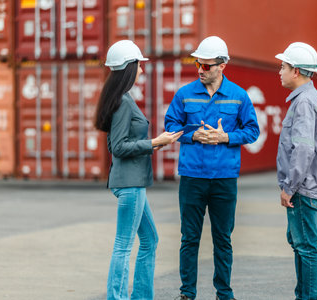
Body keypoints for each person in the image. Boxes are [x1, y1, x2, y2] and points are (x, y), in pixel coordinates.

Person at [164, 36, 260, 300]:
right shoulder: (184, 95)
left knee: (223, 239)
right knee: (189, 238)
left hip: (224, 179)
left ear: (222, 66)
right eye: (198, 64)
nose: (200, 70)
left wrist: (225, 137)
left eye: (207, 66)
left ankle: (224, 293)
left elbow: (252, 131)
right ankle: (187, 294)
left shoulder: (239, 97)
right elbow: (171, 126)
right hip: (192, 178)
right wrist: (192, 135)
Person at [94, 40, 183, 300]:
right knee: (124, 245)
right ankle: (117, 297)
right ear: (129, 69)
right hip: (129, 184)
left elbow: (115, 142)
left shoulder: (122, 99)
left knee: (150, 240)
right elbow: (119, 147)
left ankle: (142, 296)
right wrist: (156, 142)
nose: (142, 71)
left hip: (132, 182)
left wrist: (154, 145)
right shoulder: (122, 102)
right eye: (139, 66)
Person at [275, 42, 317, 300]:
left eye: (283, 66)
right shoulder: (315, 97)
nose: (280, 71)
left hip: (301, 188)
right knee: (301, 244)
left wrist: (290, 187)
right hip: (310, 183)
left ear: (296, 71)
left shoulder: (302, 103)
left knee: (306, 247)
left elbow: (302, 150)